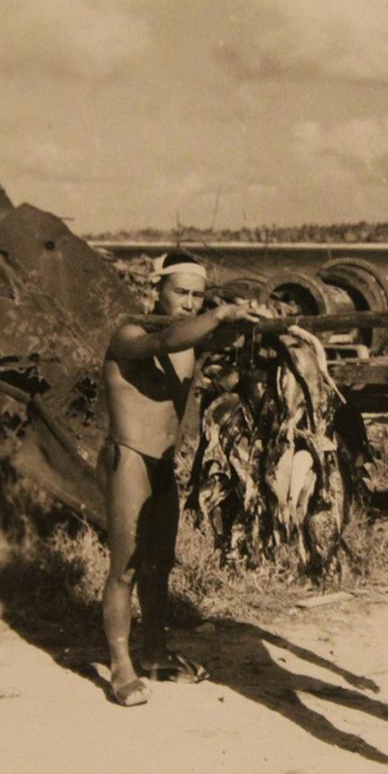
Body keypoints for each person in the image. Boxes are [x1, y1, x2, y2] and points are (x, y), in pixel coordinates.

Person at [98, 253, 260, 707]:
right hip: (128, 458)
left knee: (160, 565)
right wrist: (220, 314)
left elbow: (208, 339)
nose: (189, 304)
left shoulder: (194, 339)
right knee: (125, 568)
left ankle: (153, 652)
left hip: (163, 463)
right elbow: (167, 339)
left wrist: (254, 321)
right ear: (158, 291)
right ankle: (120, 666)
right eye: (180, 293)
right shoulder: (129, 334)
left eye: (197, 296)